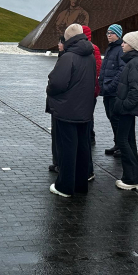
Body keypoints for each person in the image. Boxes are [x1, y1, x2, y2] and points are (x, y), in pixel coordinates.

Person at [46, 24, 97, 197]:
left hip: (67, 110)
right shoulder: (90, 56)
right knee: (83, 148)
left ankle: (65, 187)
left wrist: (49, 88)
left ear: (68, 38)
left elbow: (57, 83)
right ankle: (80, 185)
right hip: (84, 110)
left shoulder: (68, 57)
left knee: (67, 149)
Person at [111, 30, 138, 190]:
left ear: (133, 46)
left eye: (125, 42)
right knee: (129, 141)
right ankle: (134, 177)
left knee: (122, 141)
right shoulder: (136, 62)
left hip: (127, 111)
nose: (122, 44)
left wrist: (124, 105)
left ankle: (132, 179)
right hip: (127, 110)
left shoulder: (134, 64)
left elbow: (136, 91)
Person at [99, 24, 126, 156]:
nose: (108, 35)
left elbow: (121, 70)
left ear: (118, 35)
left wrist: (110, 85)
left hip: (114, 91)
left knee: (116, 119)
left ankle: (121, 146)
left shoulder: (120, 49)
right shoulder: (110, 48)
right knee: (111, 117)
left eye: (111, 33)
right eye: (107, 33)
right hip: (107, 91)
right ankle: (117, 143)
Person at [47, 36, 65, 174]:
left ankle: (60, 163)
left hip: (62, 104)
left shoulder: (67, 58)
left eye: (61, 42)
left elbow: (57, 82)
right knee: (56, 134)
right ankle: (57, 161)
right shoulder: (63, 56)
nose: (58, 44)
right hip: (59, 103)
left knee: (60, 135)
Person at [82, 25, 102, 146]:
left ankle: (89, 135)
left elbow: (97, 67)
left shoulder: (91, 49)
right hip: (91, 86)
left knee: (87, 112)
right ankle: (90, 135)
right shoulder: (94, 48)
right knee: (89, 112)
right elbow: (98, 67)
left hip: (87, 86)